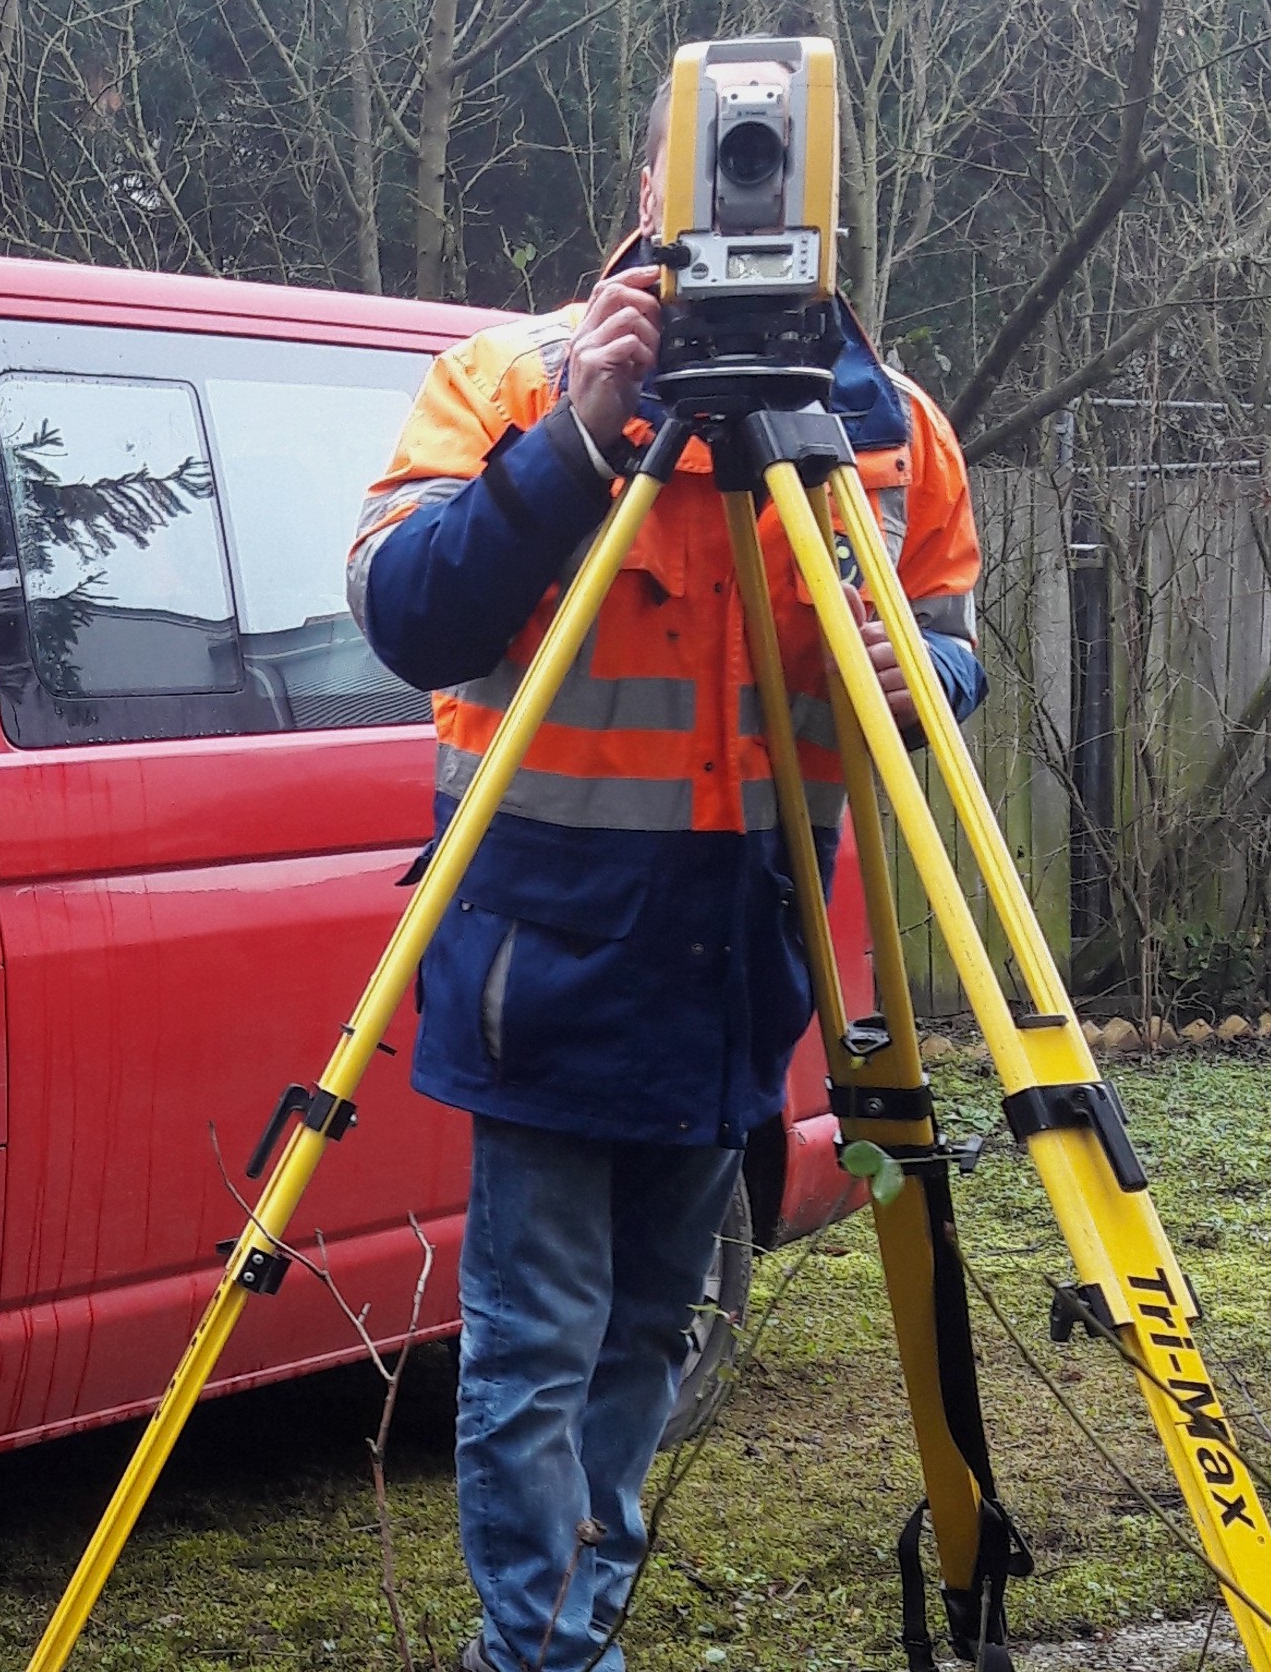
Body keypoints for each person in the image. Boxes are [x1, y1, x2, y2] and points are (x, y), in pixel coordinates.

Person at [343, 90, 988, 1672]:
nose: (740, 193)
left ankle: (577, 1626)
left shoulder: (885, 424)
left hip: (740, 966)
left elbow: (953, 638)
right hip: (547, 965)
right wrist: (579, 436)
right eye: (711, 158)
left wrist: (930, 684)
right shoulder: (510, 380)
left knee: (648, 1333)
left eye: (772, 162)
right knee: (536, 1346)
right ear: (647, 179)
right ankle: (543, 1654)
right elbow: (408, 613)